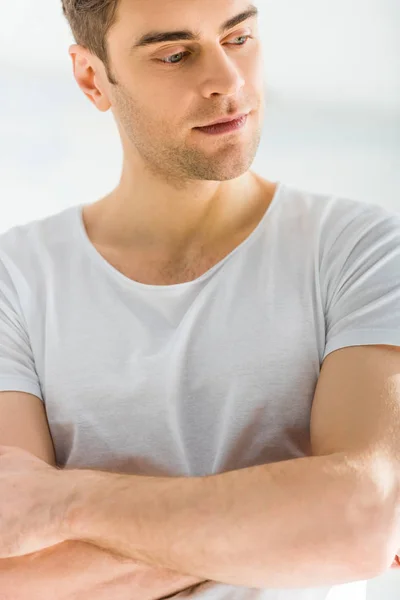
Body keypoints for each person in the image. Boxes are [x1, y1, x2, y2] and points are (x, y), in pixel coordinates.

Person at [0, 0, 399, 599]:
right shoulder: (16, 279)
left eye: (239, 39)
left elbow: (363, 519)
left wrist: (68, 502)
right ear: (92, 77)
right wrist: (295, 528)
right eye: (176, 54)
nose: (228, 82)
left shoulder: (364, 252)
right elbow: (17, 574)